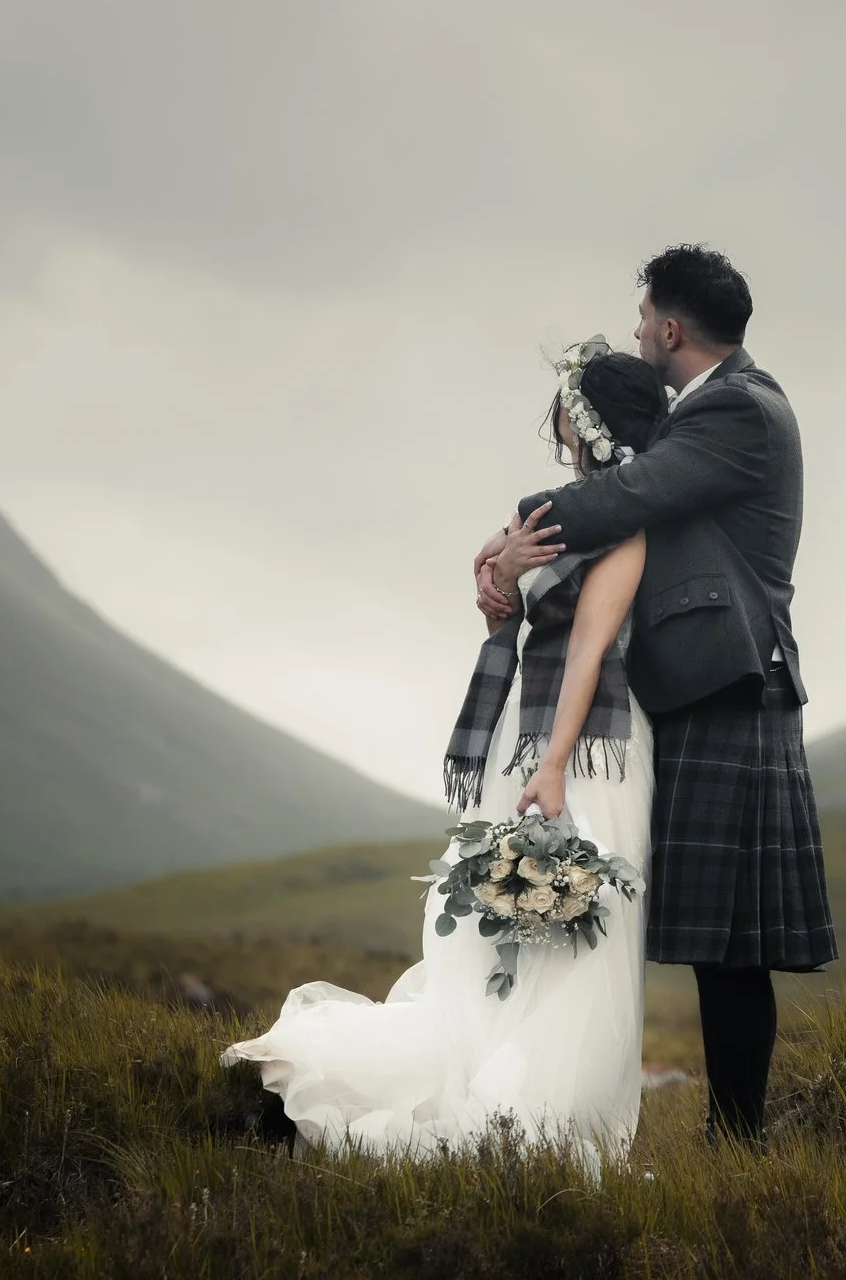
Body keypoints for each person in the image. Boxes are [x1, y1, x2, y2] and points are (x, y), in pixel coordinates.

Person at [222, 344, 670, 1164]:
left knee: (579, 931)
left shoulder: (624, 534)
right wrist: (498, 575)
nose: (557, 416)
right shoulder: (548, 514)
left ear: (587, 421)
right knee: (509, 919)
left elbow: (588, 651)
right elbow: (510, 615)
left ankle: (542, 1109)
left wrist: (554, 761)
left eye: (566, 403)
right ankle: (512, 1105)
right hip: (527, 738)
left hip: (586, 745)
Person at [478, 244, 834, 1144]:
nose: (636, 332)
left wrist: (505, 540)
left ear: (670, 327)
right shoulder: (714, 408)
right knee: (720, 941)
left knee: (736, 945)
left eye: (642, 319)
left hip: (736, 686)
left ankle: (737, 1136)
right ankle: (728, 1132)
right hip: (712, 687)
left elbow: (627, 490)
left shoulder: (737, 413)